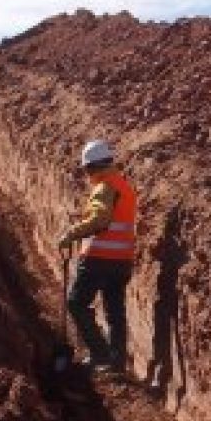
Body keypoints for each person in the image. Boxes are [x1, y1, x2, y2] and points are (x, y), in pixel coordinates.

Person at [57, 139, 137, 373]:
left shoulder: (104, 187)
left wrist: (72, 234)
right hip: (122, 261)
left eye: (87, 169)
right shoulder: (123, 186)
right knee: (115, 311)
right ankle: (117, 361)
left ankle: (100, 354)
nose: (86, 174)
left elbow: (100, 219)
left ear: (92, 166)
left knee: (76, 302)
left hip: (98, 259)